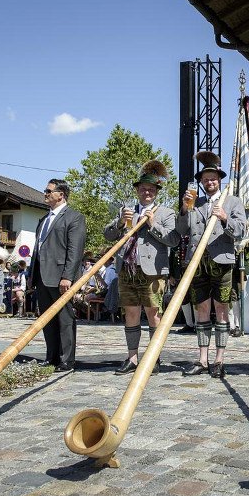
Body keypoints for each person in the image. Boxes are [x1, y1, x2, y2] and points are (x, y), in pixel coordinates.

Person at [104, 160, 179, 375]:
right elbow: (108, 234)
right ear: (137, 190)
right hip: (127, 269)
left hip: (153, 271)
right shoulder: (126, 211)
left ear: (156, 192)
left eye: (151, 190)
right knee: (130, 312)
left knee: (154, 313)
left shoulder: (166, 213)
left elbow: (173, 240)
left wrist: (152, 224)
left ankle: (153, 358)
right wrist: (119, 222)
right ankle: (132, 358)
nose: (147, 192)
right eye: (143, 189)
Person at [177, 150, 246, 378]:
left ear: (220, 180)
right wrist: (186, 210)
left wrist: (225, 217)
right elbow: (181, 230)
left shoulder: (233, 201)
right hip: (198, 262)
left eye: (213, 179)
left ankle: (219, 359)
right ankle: (202, 359)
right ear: (201, 182)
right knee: (202, 309)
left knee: (222, 309)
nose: (210, 183)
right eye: (205, 180)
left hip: (222, 261)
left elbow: (241, 231)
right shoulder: (195, 203)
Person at [29, 179, 86, 372]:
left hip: (61, 276)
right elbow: (38, 249)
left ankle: (67, 359)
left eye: (48, 191)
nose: (45, 193)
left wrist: (68, 276)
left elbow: (75, 251)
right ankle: (51, 356)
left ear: (61, 194)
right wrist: (31, 276)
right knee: (47, 319)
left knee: (64, 319)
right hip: (42, 277)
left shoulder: (74, 217)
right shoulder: (44, 219)